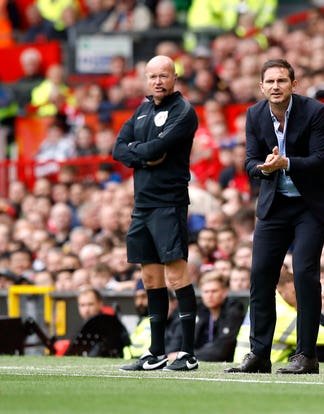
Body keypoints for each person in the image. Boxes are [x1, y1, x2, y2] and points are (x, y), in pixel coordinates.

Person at [225, 59, 324, 375]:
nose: (276, 86)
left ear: (294, 84)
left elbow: (320, 161)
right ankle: (259, 355)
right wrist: (262, 167)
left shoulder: (316, 112)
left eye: (282, 80)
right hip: (274, 205)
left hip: (310, 205)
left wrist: (285, 163)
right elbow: (249, 162)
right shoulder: (254, 114)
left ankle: (307, 356)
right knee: (261, 275)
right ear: (261, 87)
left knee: (305, 274)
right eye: (270, 82)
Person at [112, 55, 199, 372]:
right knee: (150, 279)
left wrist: (141, 152)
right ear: (145, 79)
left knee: (177, 275)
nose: (158, 81)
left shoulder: (183, 112)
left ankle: (188, 353)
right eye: (152, 76)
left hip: (168, 202)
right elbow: (119, 149)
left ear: (175, 77)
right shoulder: (142, 109)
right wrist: (144, 156)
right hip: (142, 205)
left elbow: (148, 149)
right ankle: (156, 352)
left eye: (163, 75)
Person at [231, 266, 324, 365]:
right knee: (320, 348)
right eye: (295, 292)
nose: (298, 297)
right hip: (270, 363)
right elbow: (316, 335)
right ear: (280, 291)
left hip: (245, 361)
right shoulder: (281, 312)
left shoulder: (265, 305)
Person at [167, 270, 245, 362]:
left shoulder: (234, 311)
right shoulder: (198, 310)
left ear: (224, 292)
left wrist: (187, 355)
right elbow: (179, 339)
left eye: (214, 291)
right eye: (206, 292)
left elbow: (221, 351)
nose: (209, 295)